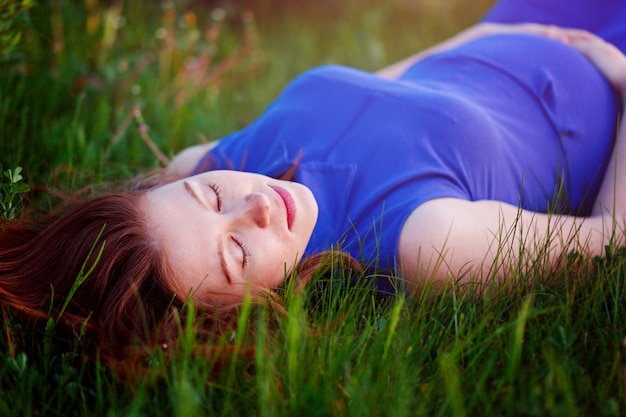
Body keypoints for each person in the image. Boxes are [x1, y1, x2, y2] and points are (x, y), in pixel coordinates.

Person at [1, 0, 625, 359]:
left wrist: (487, 34)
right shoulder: (425, 241)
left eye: (212, 195)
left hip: (526, 20)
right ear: (241, 312)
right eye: (237, 250)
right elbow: (611, 237)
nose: (254, 206)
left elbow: (388, 87)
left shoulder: (211, 166)